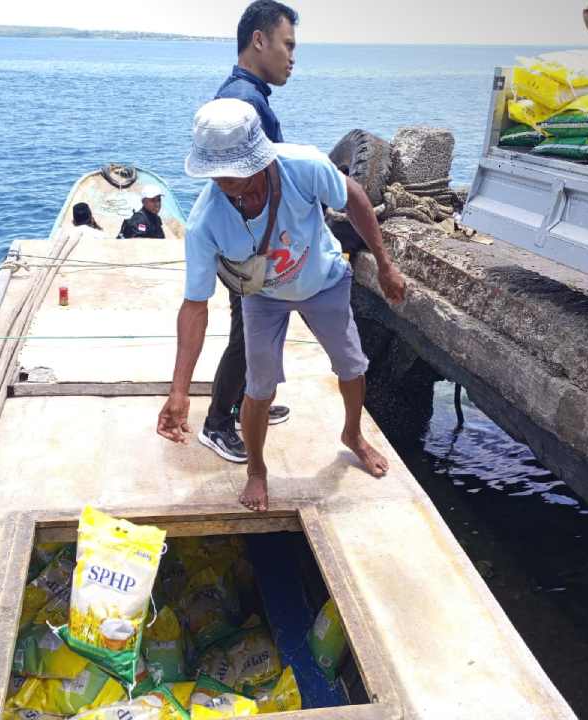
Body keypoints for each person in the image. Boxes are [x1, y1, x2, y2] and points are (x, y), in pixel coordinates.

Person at [156, 99, 407, 512]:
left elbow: (356, 197)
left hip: (323, 281)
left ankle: (353, 434)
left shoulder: (303, 166)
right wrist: (179, 391)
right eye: (217, 174)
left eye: (236, 172)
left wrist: (384, 263)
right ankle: (257, 469)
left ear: (259, 156)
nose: (227, 182)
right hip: (263, 298)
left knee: (353, 366)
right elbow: (194, 306)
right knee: (259, 388)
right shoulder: (205, 222)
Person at [196, 0, 299, 464]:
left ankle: (244, 404)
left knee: (254, 331)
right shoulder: (244, 101)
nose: (292, 57)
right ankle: (218, 423)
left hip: (251, 242)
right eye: (287, 44)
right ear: (259, 41)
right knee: (248, 333)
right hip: (246, 244)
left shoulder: (245, 94)